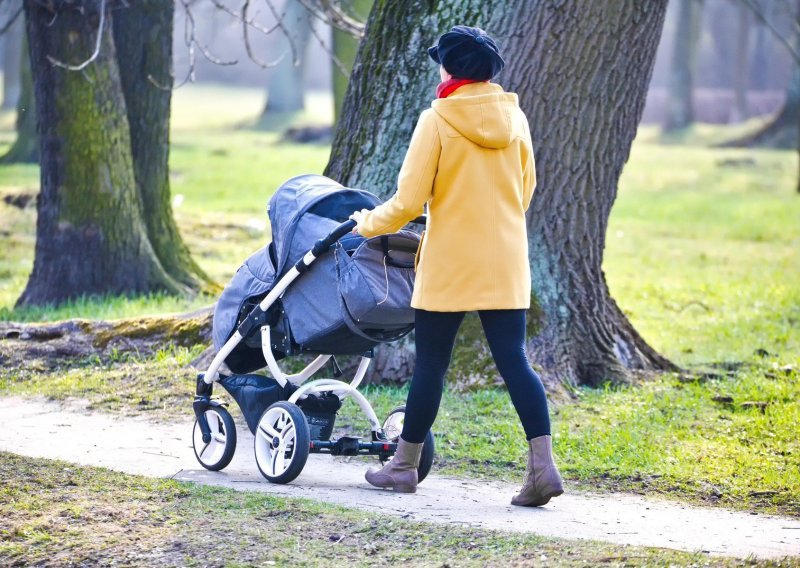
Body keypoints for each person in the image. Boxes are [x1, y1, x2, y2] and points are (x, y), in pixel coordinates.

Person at [350, 25, 563, 507]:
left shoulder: (438, 119)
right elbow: (525, 191)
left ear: (452, 69)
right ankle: (543, 468)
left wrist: (365, 225)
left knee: (431, 365)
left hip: (450, 262)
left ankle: (404, 467)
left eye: (441, 63)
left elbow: (407, 202)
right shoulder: (516, 118)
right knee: (515, 362)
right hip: (507, 259)